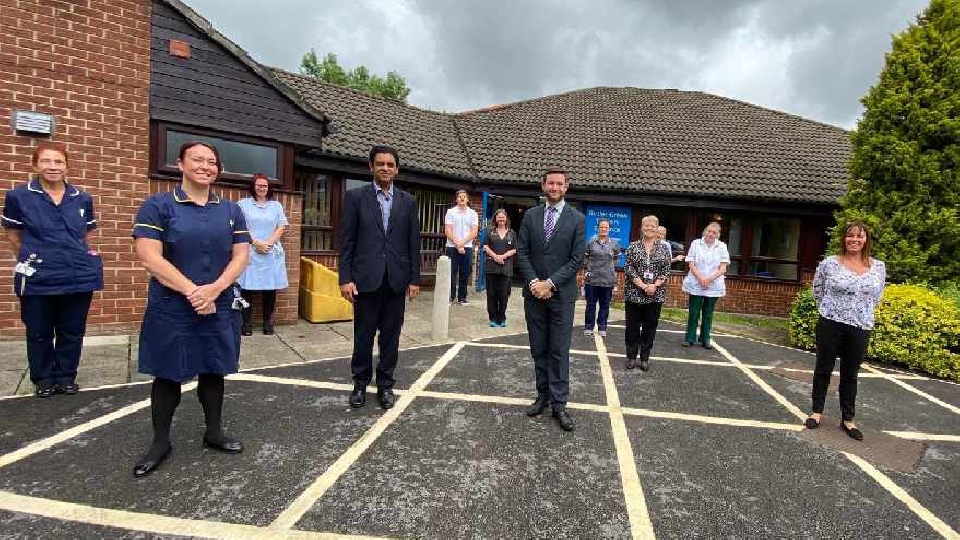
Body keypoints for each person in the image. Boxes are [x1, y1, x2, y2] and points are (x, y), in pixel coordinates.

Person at [130, 141, 251, 478]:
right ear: (180, 164)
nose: (206, 166)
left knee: (214, 368)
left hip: (219, 302)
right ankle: (160, 442)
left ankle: (214, 431)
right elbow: (149, 256)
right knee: (167, 373)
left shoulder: (231, 211)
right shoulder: (158, 206)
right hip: (173, 305)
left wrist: (214, 290)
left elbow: (241, 255)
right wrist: (192, 291)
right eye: (198, 159)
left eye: (212, 161)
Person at [2, 142, 103, 398]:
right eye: (46, 161)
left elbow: (84, 235)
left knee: (72, 330)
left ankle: (66, 376)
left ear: (67, 166)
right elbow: (13, 235)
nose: (53, 167)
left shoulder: (82, 198)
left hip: (77, 275)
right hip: (38, 277)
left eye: (58, 162)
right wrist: (33, 257)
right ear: (35, 165)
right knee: (39, 331)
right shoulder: (19, 196)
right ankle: (44, 378)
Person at [339, 145, 420, 410]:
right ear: (371, 167)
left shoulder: (408, 201)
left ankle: (385, 385)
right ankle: (360, 384)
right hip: (365, 279)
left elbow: (412, 243)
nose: (385, 168)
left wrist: (414, 279)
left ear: (397, 169)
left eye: (390, 164)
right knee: (363, 335)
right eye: (380, 164)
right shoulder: (355, 198)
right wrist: (345, 277)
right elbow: (347, 241)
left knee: (391, 337)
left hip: (396, 280)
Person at [517, 167, 585, 432]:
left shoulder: (577, 219)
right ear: (543, 185)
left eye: (560, 184)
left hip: (561, 296)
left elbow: (576, 258)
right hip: (534, 295)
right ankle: (542, 396)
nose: (555, 188)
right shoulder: (531, 216)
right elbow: (522, 251)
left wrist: (550, 283)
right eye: (550, 183)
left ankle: (559, 404)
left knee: (558, 350)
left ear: (566, 187)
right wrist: (535, 282)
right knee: (539, 348)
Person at [806, 222, 886, 441]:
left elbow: (877, 295)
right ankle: (817, 411)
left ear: (866, 240)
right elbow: (817, 289)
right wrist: (832, 310)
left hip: (860, 325)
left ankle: (848, 419)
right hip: (831, 321)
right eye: (850, 236)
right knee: (824, 368)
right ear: (844, 239)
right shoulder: (830, 264)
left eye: (859, 237)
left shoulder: (878, 266)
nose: (855, 240)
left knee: (851, 373)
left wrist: (860, 312)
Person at [237, 173, 289, 336]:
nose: (261, 188)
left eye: (265, 185)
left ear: (269, 188)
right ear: (253, 186)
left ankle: (267, 323)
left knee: (270, 288)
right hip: (250, 250)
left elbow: (281, 226)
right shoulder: (243, 204)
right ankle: (246, 324)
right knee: (246, 288)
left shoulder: (276, 206)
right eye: (258, 185)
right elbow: (240, 226)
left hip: (271, 251)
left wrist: (268, 243)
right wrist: (255, 242)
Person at [624, 216, 671, 371]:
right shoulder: (633, 246)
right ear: (641, 227)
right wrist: (644, 286)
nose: (649, 228)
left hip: (655, 295)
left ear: (657, 229)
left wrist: (655, 285)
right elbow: (629, 269)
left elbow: (666, 269)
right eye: (646, 226)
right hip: (634, 293)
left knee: (650, 328)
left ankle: (644, 358)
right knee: (632, 327)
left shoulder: (664, 248)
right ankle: (631, 357)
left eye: (653, 226)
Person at [681, 221, 729, 349]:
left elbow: (723, 268)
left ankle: (705, 338)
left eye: (714, 232)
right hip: (696, 283)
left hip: (713, 285)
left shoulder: (722, 246)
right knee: (694, 312)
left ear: (718, 234)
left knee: (708, 313)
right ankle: (689, 338)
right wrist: (701, 278)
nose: (711, 234)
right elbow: (691, 263)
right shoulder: (696, 243)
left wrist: (708, 280)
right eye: (709, 231)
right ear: (705, 231)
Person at [583, 218, 621, 337]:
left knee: (605, 305)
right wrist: (588, 270)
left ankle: (602, 327)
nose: (603, 229)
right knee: (591, 305)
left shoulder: (614, 243)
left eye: (606, 227)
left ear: (609, 229)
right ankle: (589, 326)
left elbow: (616, 258)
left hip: (608, 280)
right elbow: (585, 257)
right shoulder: (591, 242)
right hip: (592, 279)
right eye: (601, 227)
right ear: (598, 228)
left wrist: (609, 268)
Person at [444, 190, 479, 305]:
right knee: (451, 273)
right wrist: (457, 244)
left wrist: (462, 244)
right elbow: (448, 230)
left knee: (464, 273)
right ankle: (450, 297)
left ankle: (462, 298)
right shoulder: (450, 212)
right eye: (459, 196)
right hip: (451, 247)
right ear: (456, 199)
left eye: (464, 196)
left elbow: (474, 232)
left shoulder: (473, 213)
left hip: (467, 247)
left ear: (467, 199)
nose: (462, 198)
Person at [483, 209, 516, 327]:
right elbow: (485, 246)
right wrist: (495, 256)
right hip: (491, 267)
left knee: (503, 294)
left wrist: (504, 255)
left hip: (506, 268)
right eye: (499, 217)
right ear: (495, 219)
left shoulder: (512, 233)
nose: (501, 219)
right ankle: (492, 318)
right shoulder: (490, 232)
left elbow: (515, 249)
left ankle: (501, 318)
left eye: (503, 217)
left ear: (506, 219)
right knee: (491, 294)